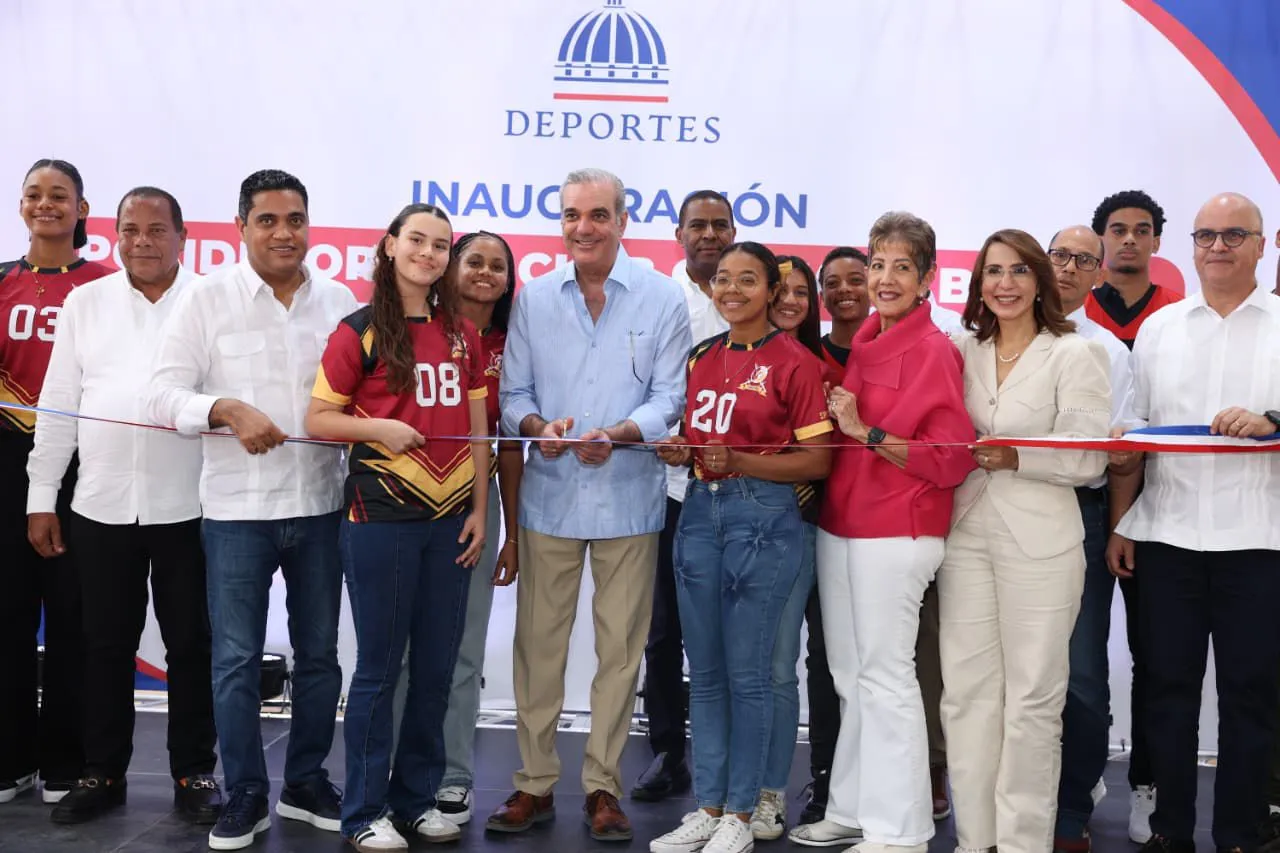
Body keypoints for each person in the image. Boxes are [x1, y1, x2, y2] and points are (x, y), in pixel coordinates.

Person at [147, 169, 357, 851]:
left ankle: (306, 783)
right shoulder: (205, 299)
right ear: (241, 227)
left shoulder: (340, 301)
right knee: (235, 659)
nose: (283, 233)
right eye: (267, 220)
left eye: (295, 219)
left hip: (321, 505)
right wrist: (225, 408)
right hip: (236, 512)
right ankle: (244, 791)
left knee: (320, 656)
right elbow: (160, 395)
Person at [489, 168, 690, 842]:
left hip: (630, 499)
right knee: (537, 649)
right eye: (572, 215)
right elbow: (513, 395)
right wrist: (537, 427)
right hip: (549, 498)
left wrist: (623, 433)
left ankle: (604, 786)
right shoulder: (535, 297)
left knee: (620, 654)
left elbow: (670, 397)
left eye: (598, 214)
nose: (584, 227)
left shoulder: (662, 296)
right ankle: (534, 785)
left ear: (623, 221)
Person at [26, 187, 221, 825]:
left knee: (191, 644)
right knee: (103, 645)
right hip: (100, 504)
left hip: (190, 505)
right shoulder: (86, 302)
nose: (142, 242)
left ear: (182, 237)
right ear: (115, 235)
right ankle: (102, 771)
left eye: (156, 230)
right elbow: (57, 407)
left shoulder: (210, 301)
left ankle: (194, 772)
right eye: (130, 230)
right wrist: (41, 497)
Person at [305, 203, 491, 850]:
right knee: (380, 671)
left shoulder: (462, 334)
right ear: (390, 245)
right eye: (417, 240)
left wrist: (480, 509)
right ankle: (363, 811)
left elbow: (478, 430)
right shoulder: (356, 331)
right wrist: (380, 428)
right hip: (380, 517)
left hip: (450, 521)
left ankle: (416, 800)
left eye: (440, 245)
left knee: (436, 669)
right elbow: (317, 419)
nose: (428, 253)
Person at [789, 212, 975, 852]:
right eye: (878, 265)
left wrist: (864, 430)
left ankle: (900, 831)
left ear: (928, 278)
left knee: (887, 676)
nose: (886, 278)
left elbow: (950, 459)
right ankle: (852, 809)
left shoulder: (934, 349)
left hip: (899, 529)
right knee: (849, 675)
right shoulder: (866, 339)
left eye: (902, 267)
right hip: (842, 523)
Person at [1107, 192, 1280, 853]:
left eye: (1234, 234)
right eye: (1206, 235)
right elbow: (1136, 436)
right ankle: (1169, 831)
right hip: (1168, 537)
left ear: (1260, 244)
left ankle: (1239, 834)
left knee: (1251, 696)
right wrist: (1123, 523)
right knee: (1167, 694)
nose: (1218, 247)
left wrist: (1273, 421)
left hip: (1260, 539)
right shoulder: (1160, 329)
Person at [649, 241, 832, 853]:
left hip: (766, 517)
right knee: (704, 672)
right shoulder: (702, 356)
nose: (731, 290)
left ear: (772, 291)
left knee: (750, 673)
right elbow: (700, 438)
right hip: (701, 511)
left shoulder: (795, 362)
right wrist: (681, 449)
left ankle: (743, 812)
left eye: (747, 279)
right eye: (723, 279)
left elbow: (819, 460)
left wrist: (743, 461)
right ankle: (708, 805)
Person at [941, 229, 1110, 853]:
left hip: (1042, 542)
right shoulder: (961, 348)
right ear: (978, 283)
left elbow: (1090, 457)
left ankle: (1021, 843)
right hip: (965, 535)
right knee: (966, 696)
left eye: (1017, 271)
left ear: (1040, 280)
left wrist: (1019, 456)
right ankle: (975, 839)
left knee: (1033, 699)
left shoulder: (1075, 353)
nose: (1004, 283)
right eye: (993, 271)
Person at [0, 159, 111, 806]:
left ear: (81, 208)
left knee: (74, 614)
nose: (45, 204)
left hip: (80, 464)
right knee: (8, 612)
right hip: (6, 461)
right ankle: (10, 758)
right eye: (33, 194)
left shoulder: (105, 286)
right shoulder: (2, 281)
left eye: (59, 195)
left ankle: (65, 758)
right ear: (21, 205)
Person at [633, 190, 734, 804]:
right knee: (663, 631)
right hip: (670, 490)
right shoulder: (657, 297)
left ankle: (733, 755)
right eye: (698, 225)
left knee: (730, 631)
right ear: (678, 233)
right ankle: (668, 751)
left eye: (720, 225)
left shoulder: (751, 293)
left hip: (743, 489)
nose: (709, 235)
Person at [1084, 188, 1178, 843]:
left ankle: (1147, 784)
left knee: (1155, 658)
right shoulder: (1074, 314)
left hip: (1162, 507)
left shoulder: (1177, 314)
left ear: (1157, 242)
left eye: (1142, 230)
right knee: (1079, 660)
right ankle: (1084, 769)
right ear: (1100, 242)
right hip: (1087, 502)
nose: (1129, 240)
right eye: (1117, 229)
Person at [429, 231, 523, 826]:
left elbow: (510, 446)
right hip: (411, 501)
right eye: (474, 261)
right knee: (404, 652)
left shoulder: (514, 346)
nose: (486, 273)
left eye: (498, 265)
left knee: (464, 649)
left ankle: (453, 776)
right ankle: (399, 770)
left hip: (477, 503)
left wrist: (510, 532)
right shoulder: (421, 330)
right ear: (450, 268)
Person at [1046, 225, 1134, 853]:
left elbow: (1121, 453)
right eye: (1059, 256)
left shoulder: (1109, 351)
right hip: (997, 511)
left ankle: (1072, 806)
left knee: (1079, 671)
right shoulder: (994, 337)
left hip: (1081, 513)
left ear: (1098, 274)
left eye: (1083, 260)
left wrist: (1120, 527)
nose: (1068, 268)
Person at [749, 254, 823, 841]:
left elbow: (821, 462)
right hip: (736, 529)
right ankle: (731, 792)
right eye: (782, 291)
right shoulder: (727, 360)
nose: (791, 301)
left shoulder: (822, 366)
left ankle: (771, 794)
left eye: (802, 291)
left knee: (778, 665)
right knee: (736, 666)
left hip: (803, 526)